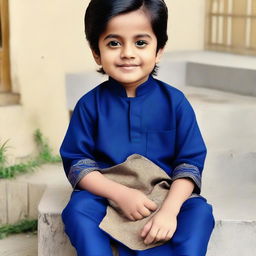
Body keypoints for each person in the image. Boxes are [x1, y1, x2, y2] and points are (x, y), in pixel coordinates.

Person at [60, 0, 215, 255]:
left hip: (163, 195)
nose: (127, 53)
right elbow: (78, 162)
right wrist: (120, 194)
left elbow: (189, 163)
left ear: (159, 49)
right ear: (96, 52)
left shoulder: (175, 102)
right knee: (78, 211)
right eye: (113, 43)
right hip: (106, 195)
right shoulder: (89, 105)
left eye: (140, 42)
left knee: (200, 213)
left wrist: (169, 211)